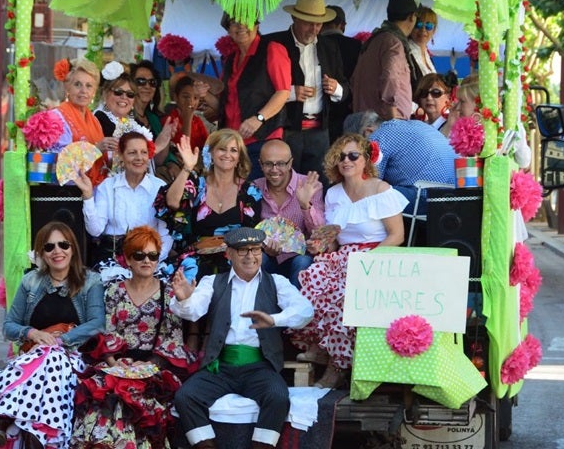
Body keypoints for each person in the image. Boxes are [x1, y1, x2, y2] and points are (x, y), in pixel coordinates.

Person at [170, 227, 314, 449]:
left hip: (259, 367)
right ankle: (207, 446)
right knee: (185, 397)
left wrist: (275, 319)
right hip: (221, 367)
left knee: (277, 397)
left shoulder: (276, 282)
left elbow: (305, 311)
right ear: (229, 254)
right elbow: (193, 310)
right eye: (243, 250)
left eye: (255, 249)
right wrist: (184, 299)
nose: (250, 256)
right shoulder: (212, 282)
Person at [0, 221, 106, 448]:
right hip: (33, 357)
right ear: (41, 252)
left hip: (72, 358)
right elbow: (9, 326)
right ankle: (35, 438)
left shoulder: (90, 281)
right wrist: (32, 333)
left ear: (73, 248)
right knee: (42, 361)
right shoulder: (30, 281)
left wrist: (60, 341)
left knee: (52, 359)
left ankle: (2, 423)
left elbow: (97, 323)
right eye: (49, 247)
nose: (57, 251)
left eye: (63, 244)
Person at [290, 134, 407, 388]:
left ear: (366, 160)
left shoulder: (381, 189)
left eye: (353, 155)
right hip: (344, 254)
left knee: (344, 288)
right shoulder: (333, 193)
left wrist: (368, 260)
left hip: (377, 255)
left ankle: (335, 368)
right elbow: (333, 240)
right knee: (314, 275)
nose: (346, 160)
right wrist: (318, 239)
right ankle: (322, 347)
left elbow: (397, 235)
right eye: (341, 156)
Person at [71, 226, 198, 448]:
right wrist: (116, 364)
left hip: (155, 367)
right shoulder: (114, 290)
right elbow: (107, 331)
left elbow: (172, 338)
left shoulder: (168, 293)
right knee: (107, 392)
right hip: (116, 363)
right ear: (127, 260)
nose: (146, 260)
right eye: (139, 255)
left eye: (152, 255)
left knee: (131, 395)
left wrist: (147, 366)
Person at [155, 130, 263, 280]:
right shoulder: (198, 184)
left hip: (235, 258)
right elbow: (173, 202)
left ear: (239, 158)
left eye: (233, 150)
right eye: (222, 149)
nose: (227, 154)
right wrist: (187, 168)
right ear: (211, 153)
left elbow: (253, 234)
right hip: (198, 257)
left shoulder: (250, 191)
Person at [268, 0, 350, 184]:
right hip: (287, 129)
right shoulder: (276, 43)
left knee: (318, 185)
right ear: (294, 17)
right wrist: (289, 93)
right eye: (308, 22)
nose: (314, 29)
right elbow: (261, 88)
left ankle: (313, 216)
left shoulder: (329, 46)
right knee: (284, 184)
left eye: (319, 24)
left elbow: (346, 87)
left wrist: (336, 88)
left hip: (320, 131)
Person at [200, 12, 291, 180]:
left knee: (257, 196)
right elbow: (225, 104)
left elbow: (283, 92)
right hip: (233, 144)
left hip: (263, 139)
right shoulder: (231, 59)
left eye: (246, 20)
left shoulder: (272, 49)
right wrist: (204, 94)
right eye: (234, 22)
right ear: (228, 30)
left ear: (257, 24)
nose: (241, 26)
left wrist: (258, 118)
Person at [76, 131, 173, 268]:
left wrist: (152, 262)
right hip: (112, 258)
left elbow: (165, 235)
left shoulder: (159, 187)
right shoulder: (107, 186)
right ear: (121, 155)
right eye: (132, 153)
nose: (139, 158)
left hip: (149, 261)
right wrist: (88, 196)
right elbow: (95, 230)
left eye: (144, 152)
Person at [345, 111, 456, 215]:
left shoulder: (377, 137)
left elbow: (369, 181)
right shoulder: (415, 124)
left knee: (368, 193)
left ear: (367, 132)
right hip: (458, 196)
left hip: (427, 199)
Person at [254, 140, 325, 288]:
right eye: (268, 164)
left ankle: (296, 308)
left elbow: (320, 233)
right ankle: (259, 307)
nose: (274, 170)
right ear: (260, 164)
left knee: (303, 262)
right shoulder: (255, 188)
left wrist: (305, 205)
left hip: (298, 257)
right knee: (257, 259)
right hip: (267, 256)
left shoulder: (309, 185)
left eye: (280, 163)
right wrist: (262, 245)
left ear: (290, 163)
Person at [350, 0, 420, 120]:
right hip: (384, 121)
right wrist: (392, 119)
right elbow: (390, 77)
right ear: (412, 17)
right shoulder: (393, 42)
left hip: (366, 119)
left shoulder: (375, 39)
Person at [158, 75, 211, 184]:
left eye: (195, 98)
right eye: (186, 97)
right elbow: (183, 147)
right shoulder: (170, 120)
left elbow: (207, 146)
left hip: (195, 165)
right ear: (176, 97)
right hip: (177, 166)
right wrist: (188, 117)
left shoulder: (197, 121)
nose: (191, 101)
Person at [320, 4, 361, 142]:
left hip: (320, 112)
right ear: (342, 25)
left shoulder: (314, 44)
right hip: (348, 108)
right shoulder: (357, 46)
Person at [50, 58, 107, 150]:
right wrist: (95, 149)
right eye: (77, 84)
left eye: (89, 86)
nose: (83, 91)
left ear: (94, 91)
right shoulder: (56, 118)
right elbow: (60, 158)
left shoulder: (94, 120)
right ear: (67, 88)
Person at [130, 60, 165, 136]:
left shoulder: (154, 119)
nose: (147, 86)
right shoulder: (123, 116)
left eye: (152, 82)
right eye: (141, 81)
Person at [409, 6, 438, 81]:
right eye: (419, 25)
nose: (423, 30)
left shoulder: (427, 55)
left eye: (428, 26)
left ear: (433, 30)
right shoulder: (406, 53)